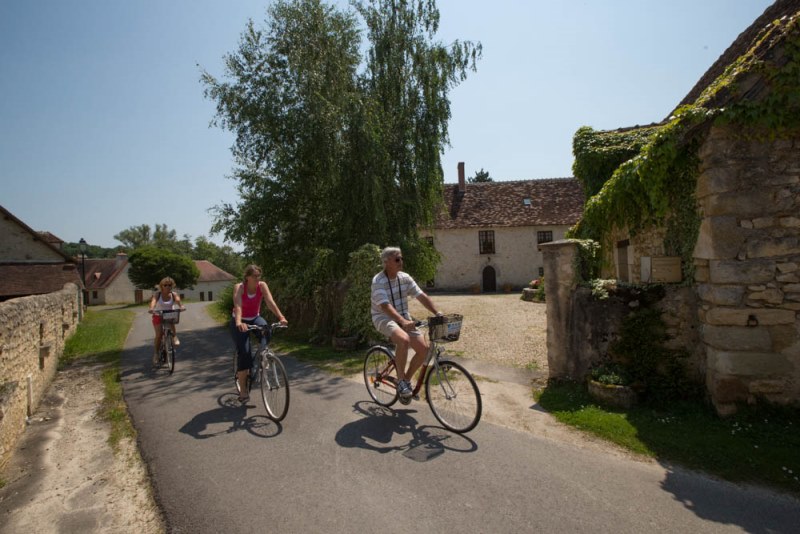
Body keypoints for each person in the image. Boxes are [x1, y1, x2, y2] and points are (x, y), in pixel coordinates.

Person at [371, 247, 441, 404]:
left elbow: (421, 296)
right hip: (383, 318)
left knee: (424, 351)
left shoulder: (404, 278)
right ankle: (401, 381)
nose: (401, 262)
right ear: (386, 262)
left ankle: (406, 382)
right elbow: (385, 306)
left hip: (404, 319)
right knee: (403, 340)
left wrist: (438, 313)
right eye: (397, 259)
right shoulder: (378, 281)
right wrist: (402, 322)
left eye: (401, 258)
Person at [231, 264, 288, 403]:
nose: (257, 278)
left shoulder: (262, 286)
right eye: (254, 276)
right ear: (247, 277)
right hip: (239, 320)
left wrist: (281, 317)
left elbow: (270, 302)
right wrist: (239, 322)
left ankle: (263, 356)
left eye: (259, 276)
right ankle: (243, 392)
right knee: (244, 353)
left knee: (267, 331)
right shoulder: (239, 287)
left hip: (255, 317)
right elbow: (238, 306)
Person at [148, 277, 185, 366]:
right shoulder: (158, 294)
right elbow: (153, 301)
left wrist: (181, 306)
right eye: (165, 285)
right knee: (159, 334)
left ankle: (174, 336)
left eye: (170, 285)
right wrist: (152, 308)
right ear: (162, 286)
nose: (168, 287)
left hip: (169, 314)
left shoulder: (173, 294)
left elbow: (178, 300)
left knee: (171, 320)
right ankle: (156, 354)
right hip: (158, 314)